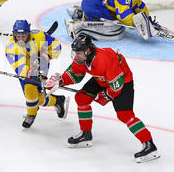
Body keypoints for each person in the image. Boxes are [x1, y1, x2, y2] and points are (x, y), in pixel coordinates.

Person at [44, 34, 160, 163]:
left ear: (88, 51)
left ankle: (150, 145)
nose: (76, 56)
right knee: (82, 98)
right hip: (102, 79)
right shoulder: (82, 58)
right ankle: (86, 135)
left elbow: (117, 85)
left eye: (79, 53)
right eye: (75, 53)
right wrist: (60, 81)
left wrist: (105, 96)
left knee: (125, 115)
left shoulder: (105, 59)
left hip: (123, 82)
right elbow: (75, 74)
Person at [5, 20, 69, 128]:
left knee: (30, 92)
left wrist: (46, 55)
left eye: (24, 36)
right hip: (25, 71)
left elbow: (56, 45)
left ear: (28, 33)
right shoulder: (11, 47)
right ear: (14, 34)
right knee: (33, 97)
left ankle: (31, 114)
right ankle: (57, 101)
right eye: (18, 36)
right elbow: (20, 66)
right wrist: (30, 72)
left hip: (41, 65)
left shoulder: (39, 36)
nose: (20, 39)